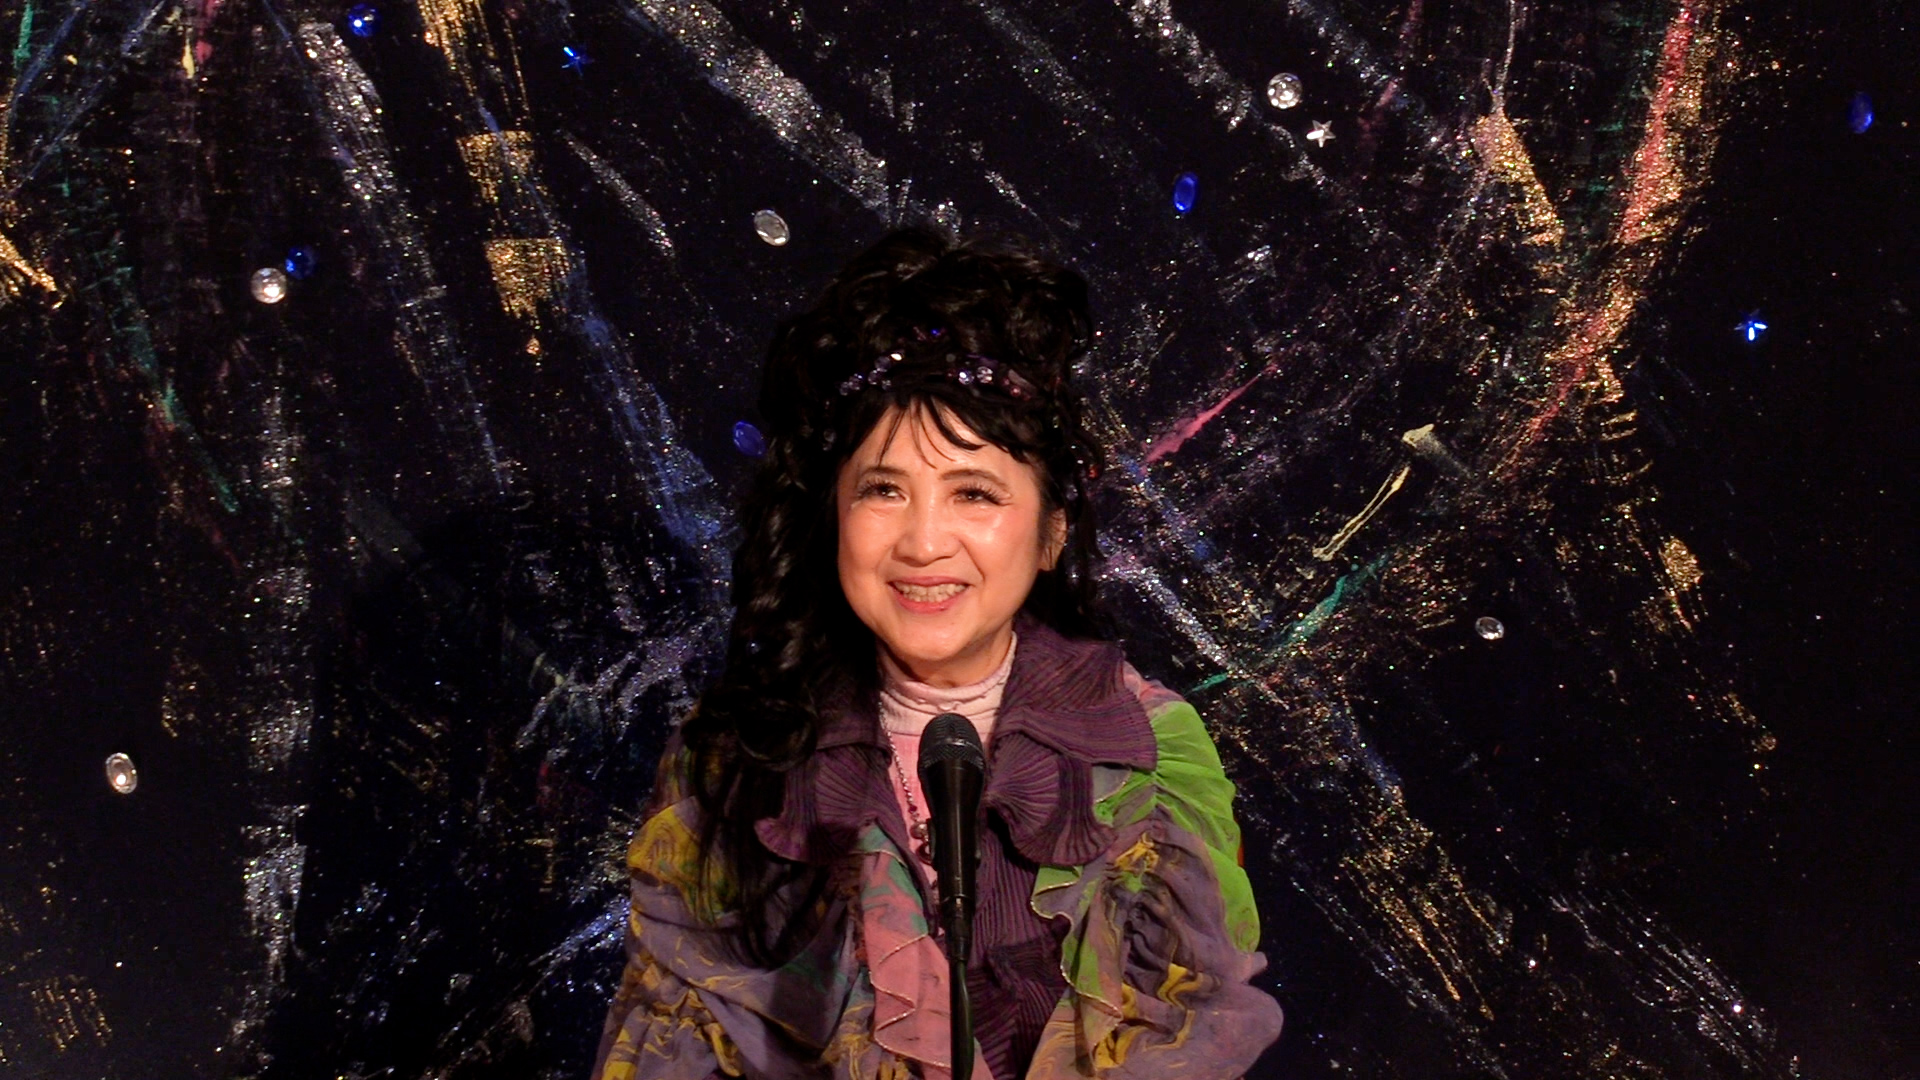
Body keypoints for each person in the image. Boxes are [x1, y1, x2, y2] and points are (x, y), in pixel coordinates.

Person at [593, 229, 1283, 1080]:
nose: (923, 543)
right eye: (884, 490)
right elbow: (671, 1038)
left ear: (1050, 532)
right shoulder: (736, 754)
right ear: (833, 517)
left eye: (974, 494)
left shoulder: (1150, 753)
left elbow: (1185, 1033)